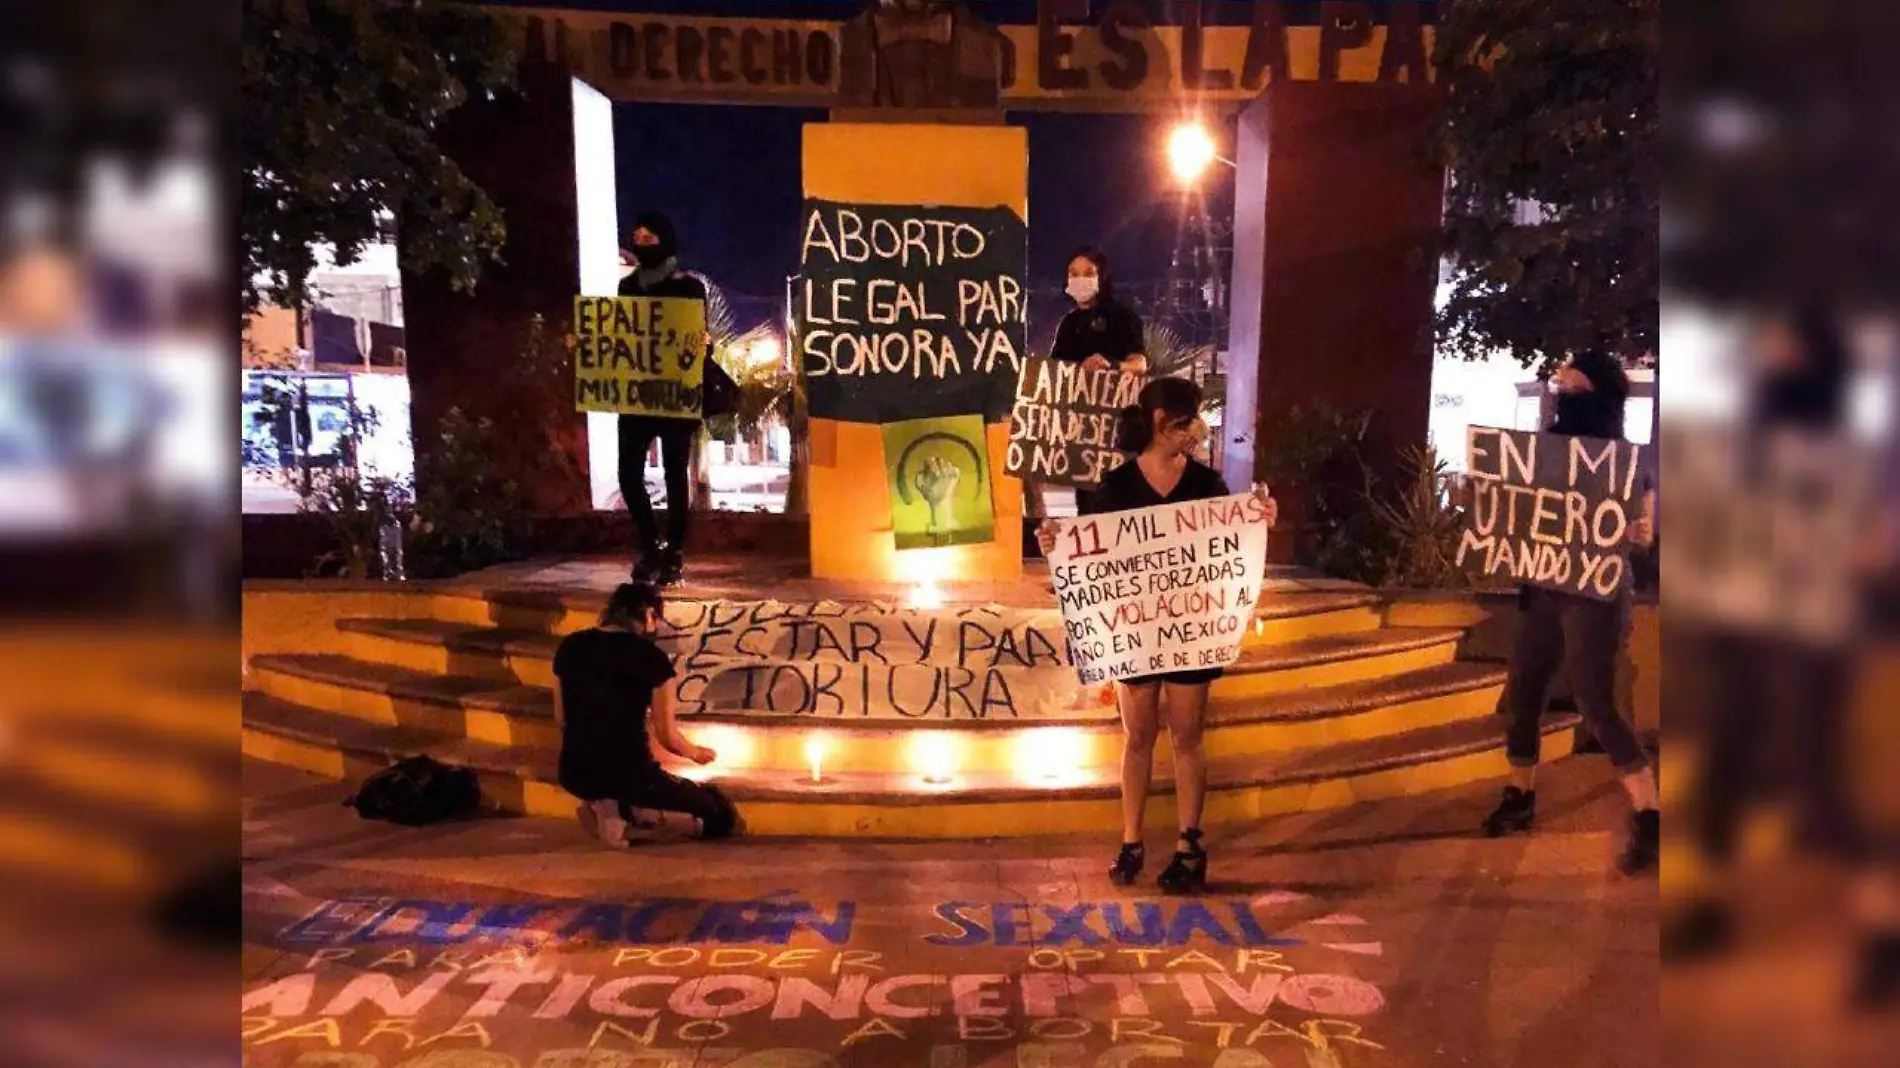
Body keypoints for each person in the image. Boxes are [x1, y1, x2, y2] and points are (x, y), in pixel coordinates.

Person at [1036, 377, 1277, 893]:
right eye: (1190, 418)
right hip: (1135, 632)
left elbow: (1229, 542)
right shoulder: (1115, 487)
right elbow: (1086, 551)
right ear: (1163, 421)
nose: (1198, 428)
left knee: (1187, 737)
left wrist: (1260, 521)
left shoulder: (1208, 486)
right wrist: (1053, 540)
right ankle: (1132, 841)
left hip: (1188, 628)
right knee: (1139, 736)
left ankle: (1190, 844)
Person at [1480, 348, 1661, 875]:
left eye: (1575, 391)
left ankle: (1649, 813)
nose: (1563, 397)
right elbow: (1517, 508)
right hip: (1546, 583)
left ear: (1599, 400)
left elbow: (1644, 534)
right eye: (1562, 389)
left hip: (1596, 593)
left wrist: (1637, 530)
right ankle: (1520, 794)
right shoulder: (1543, 452)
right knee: (1526, 689)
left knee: (1595, 701)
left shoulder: (1622, 461)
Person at [553, 582, 739, 847]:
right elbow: (668, 737)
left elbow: (561, 719)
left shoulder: (570, 647)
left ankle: (607, 807)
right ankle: (624, 815)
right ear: (648, 615)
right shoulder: (651, 659)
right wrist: (697, 753)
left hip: (573, 771)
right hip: (631, 773)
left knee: (613, 784)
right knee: (717, 813)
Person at [619, 211, 711, 586]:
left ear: (665, 241)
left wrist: (702, 343)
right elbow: (620, 333)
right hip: (638, 395)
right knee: (629, 474)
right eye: (637, 239)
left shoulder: (689, 286)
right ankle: (649, 545)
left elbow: (696, 336)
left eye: (649, 239)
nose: (642, 245)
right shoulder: (628, 288)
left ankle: (673, 552)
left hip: (675, 398)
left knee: (675, 476)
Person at [1050, 247, 1148, 375]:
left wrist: (1112, 365)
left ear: (1102, 278)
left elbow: (1139, 364)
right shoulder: (1068, 323)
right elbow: (1054, 367)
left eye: (1089, 273)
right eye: (1074, 274)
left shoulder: (1123, 316)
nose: (1080, 280)